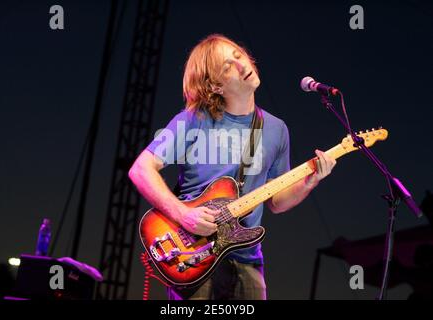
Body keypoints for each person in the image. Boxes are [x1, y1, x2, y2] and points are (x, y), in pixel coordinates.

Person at [129, 34, 336, 300]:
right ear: (215, 86)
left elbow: (277, 202)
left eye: (238, 56)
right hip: (193, 255)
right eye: (227, 66)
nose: (241, 65)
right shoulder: (193, 120)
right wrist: (182, 214)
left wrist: (310, 180)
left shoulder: (276, 129)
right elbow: (141, 169)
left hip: (247, 260)